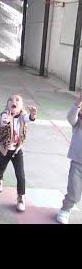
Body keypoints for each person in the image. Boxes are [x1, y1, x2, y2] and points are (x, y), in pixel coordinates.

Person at [0, 93, 37, 212]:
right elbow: (3, 122)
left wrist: (32, 115)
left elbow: (29, 119)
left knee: (20, 174)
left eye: (17, 100)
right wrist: (7, 121)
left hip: (17, 150)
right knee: (1, 167)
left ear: (21, 106)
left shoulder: (23, 116)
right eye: (11, 100)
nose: (14, 101)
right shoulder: (5, 114)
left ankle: (20, 196)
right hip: (4, 148)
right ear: (7, 105)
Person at [56, 92, 82, 224]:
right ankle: (65, 210)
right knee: (74, 191)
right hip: (78, 163)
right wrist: (79, 101)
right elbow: (71, 116)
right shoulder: (77, 123)